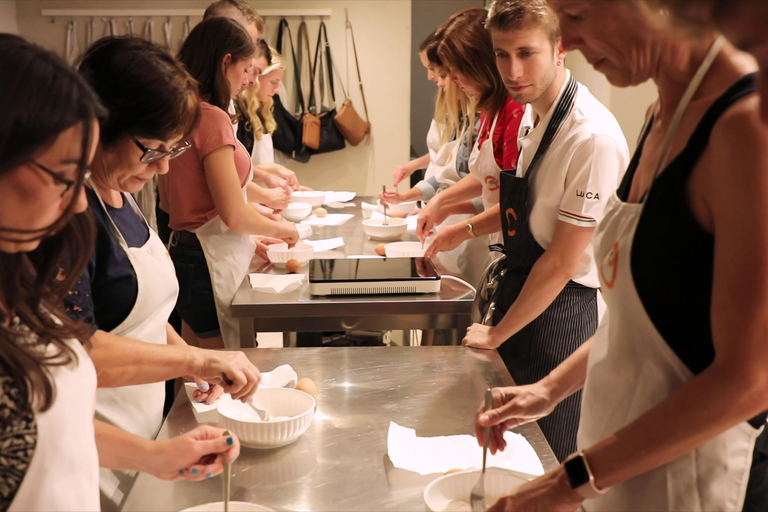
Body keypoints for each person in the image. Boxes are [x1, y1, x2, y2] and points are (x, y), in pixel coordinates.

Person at [475, 1, 768, 510]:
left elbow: (750, 379)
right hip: (620, 465)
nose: (566, 39)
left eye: (581, 15)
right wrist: (547, 390)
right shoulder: (661, 113)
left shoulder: (743, 126)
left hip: (693, 482)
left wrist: (563, 483)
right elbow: (642, 318)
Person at [0, 34, 240, 512]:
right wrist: (196, 362)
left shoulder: (20, 302)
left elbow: (55, 423)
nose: (74, 202)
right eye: (63, 175)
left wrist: (155, 455)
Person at [68, 36, 262, 510]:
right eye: (151, 150)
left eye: (169, 152)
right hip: (92, 453)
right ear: (102, 125)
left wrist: (197, 356)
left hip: (143, 436)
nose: (159, 170)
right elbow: (81, 352)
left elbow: (148, 322)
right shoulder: (71, 215)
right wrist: (196, 361)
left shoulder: (123, 193)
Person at [457, 0, 628, 462]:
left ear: (560, 50)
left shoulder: (591, 137)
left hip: (564, 314)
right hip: (526, 294)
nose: (512, 70)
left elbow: (561, 261)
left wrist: (496, 334)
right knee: (517, 453)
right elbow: (530, 209)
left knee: (553, 456)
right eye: (501, 54)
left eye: (527, 53)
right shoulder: (534, 114)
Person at [161, 17, 299, 350]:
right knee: (223, 375)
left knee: (196, 378)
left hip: (184, 252)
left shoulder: (183, 111)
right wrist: (286, 232)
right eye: (246, 69)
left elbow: (194, 194)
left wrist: (252, 239)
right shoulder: (213, 118)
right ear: (226, 61)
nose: (248, 81)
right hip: (206, 261)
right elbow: (233, 214)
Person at [416, 8, 524, 268]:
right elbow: (487, 176)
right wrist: (442, 202)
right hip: (499, 244)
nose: (451, 80)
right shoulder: (490, 108)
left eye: (454, 71)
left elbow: (517, 202)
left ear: (479, 65)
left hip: (517, 246)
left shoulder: (516, 113)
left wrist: (462, 230)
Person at [238, 46, 307, 193]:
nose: (277, 90)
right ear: (257, 78)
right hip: (248, 203)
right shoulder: (238, 114)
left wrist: (287, 189)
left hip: (263, 201)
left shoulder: (263, 111)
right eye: (273, 82)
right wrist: (274, 170)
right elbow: (233, 170)